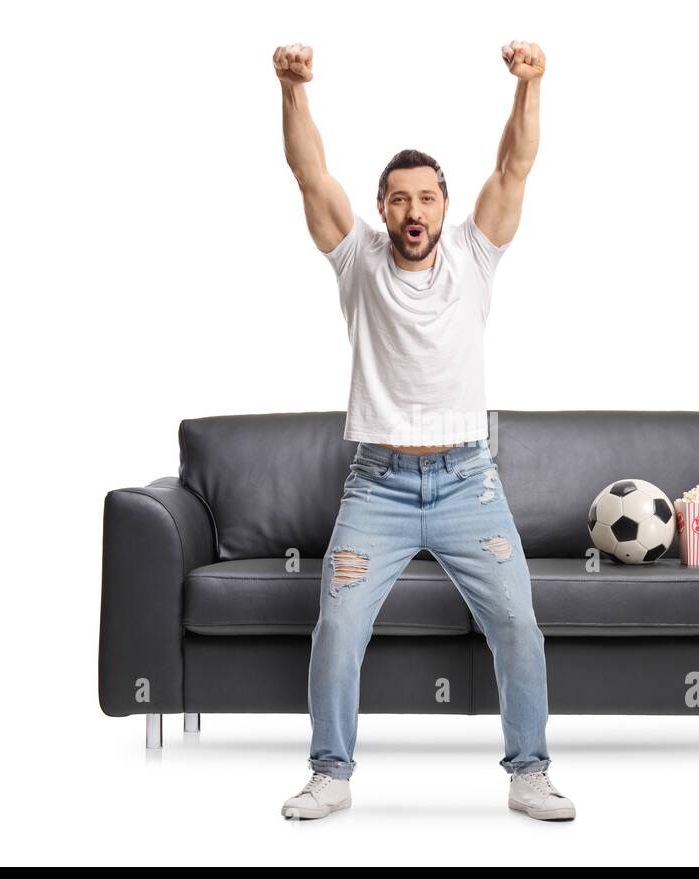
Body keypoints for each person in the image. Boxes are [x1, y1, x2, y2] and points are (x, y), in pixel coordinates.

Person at [273, 40, 573, 822]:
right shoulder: (357, 261)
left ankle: (530, 772)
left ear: (445, 206)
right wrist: (293, 90)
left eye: (427, 199)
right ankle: (330, 773)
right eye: (399, 199)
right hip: (378, 484)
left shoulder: (475, 256)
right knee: (337, 623)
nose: (414, 213)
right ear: (383, 209)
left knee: (517, 621)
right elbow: (310, 175)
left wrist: (529, 86)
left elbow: (513, 169)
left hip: (469, 479)